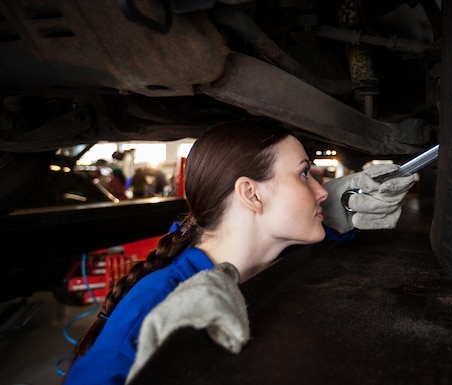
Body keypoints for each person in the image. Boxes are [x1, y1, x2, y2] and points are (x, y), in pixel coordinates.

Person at [63, 121, 414, 385]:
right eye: (305, 174)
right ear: (251, 194)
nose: (322, 191)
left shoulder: (272, 258)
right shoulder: (155, 307)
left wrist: (336, 220)